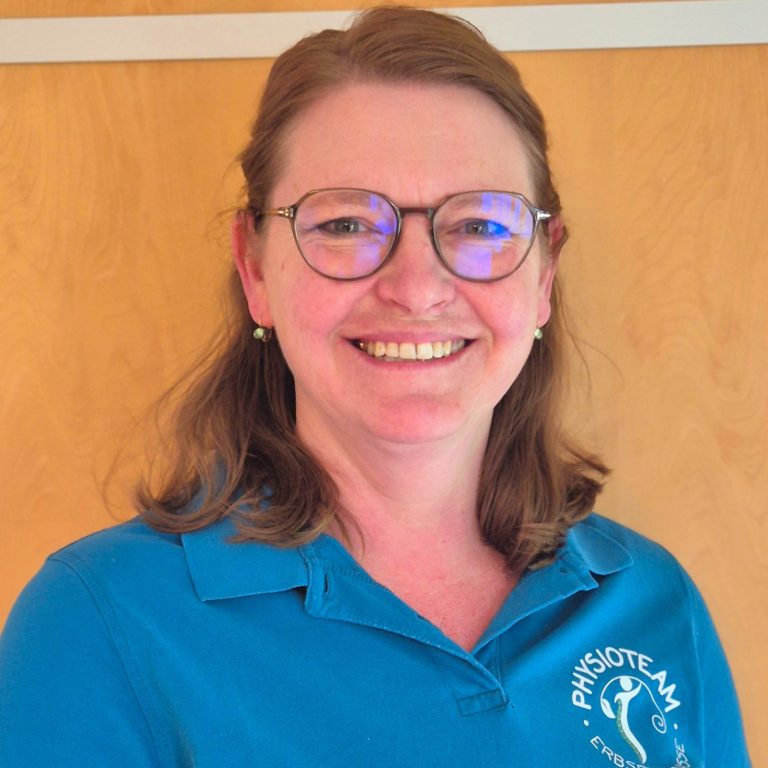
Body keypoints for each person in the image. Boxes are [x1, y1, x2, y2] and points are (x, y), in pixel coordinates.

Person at [0, 7, 750, 767]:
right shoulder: (101, 624)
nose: (417, 288)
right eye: (347, 225)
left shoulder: (654, 603)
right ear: (255, 268)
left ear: (544, 274)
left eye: (481, 226)